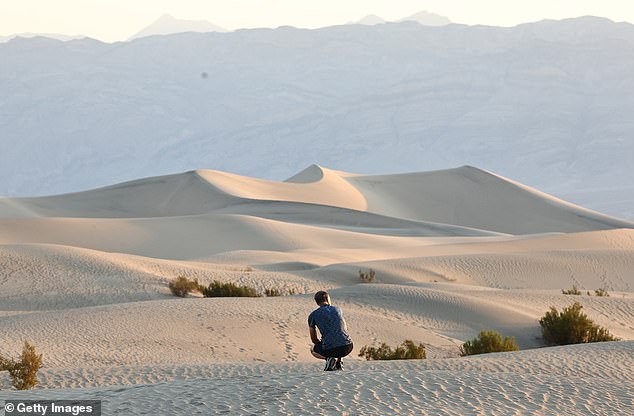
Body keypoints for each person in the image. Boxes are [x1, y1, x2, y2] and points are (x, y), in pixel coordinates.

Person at [308, 290, 353, 371]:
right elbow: (343, 329)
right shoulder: (338, 309)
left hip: (330, 349)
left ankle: (329, 359)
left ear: (317, 302)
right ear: (327, 298)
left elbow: (313, 339)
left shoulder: (313, 315)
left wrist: (321, 343)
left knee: (313, 349)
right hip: (348, 346)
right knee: (339, 337)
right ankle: (339, 363)